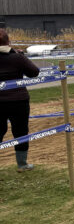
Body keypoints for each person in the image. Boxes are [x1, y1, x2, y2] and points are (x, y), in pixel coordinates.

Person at [0, 29, 40, 172]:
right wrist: (22, 57)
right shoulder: (17, 57)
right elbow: (34, 72)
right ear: (8, 41)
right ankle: (22, 164)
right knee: (21, 130)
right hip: (18, 100)